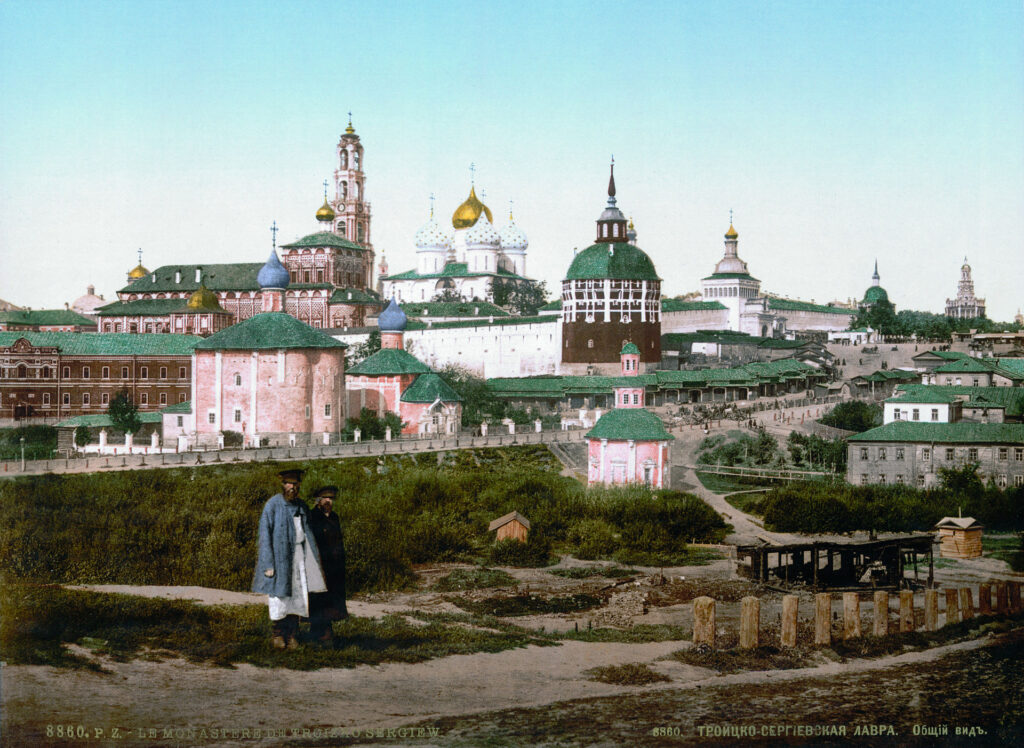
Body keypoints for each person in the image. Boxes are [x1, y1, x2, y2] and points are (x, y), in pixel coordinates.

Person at [252, 469, 327, 649]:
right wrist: (268, 563)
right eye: (288, 483)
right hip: (280, 559)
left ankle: (292, 634)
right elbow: (264, 536)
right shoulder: (273, 505)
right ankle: (278, 634)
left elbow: (308, 533)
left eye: (295, 484)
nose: (292, 487)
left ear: (299, 485)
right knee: (279, 596)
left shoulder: (301, 506)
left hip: (299, 557)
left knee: (298, 595)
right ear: (283, 484)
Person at [307, 485, 348, 644]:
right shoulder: (312, 517)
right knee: (318, 598)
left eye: (331, 498)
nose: (328, 501)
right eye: (325, 498)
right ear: (318, 500)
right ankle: (320, 631)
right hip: (318, 564)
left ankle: (323, 630)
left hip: (334, 565)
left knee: (331, 598)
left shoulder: (334, 517)